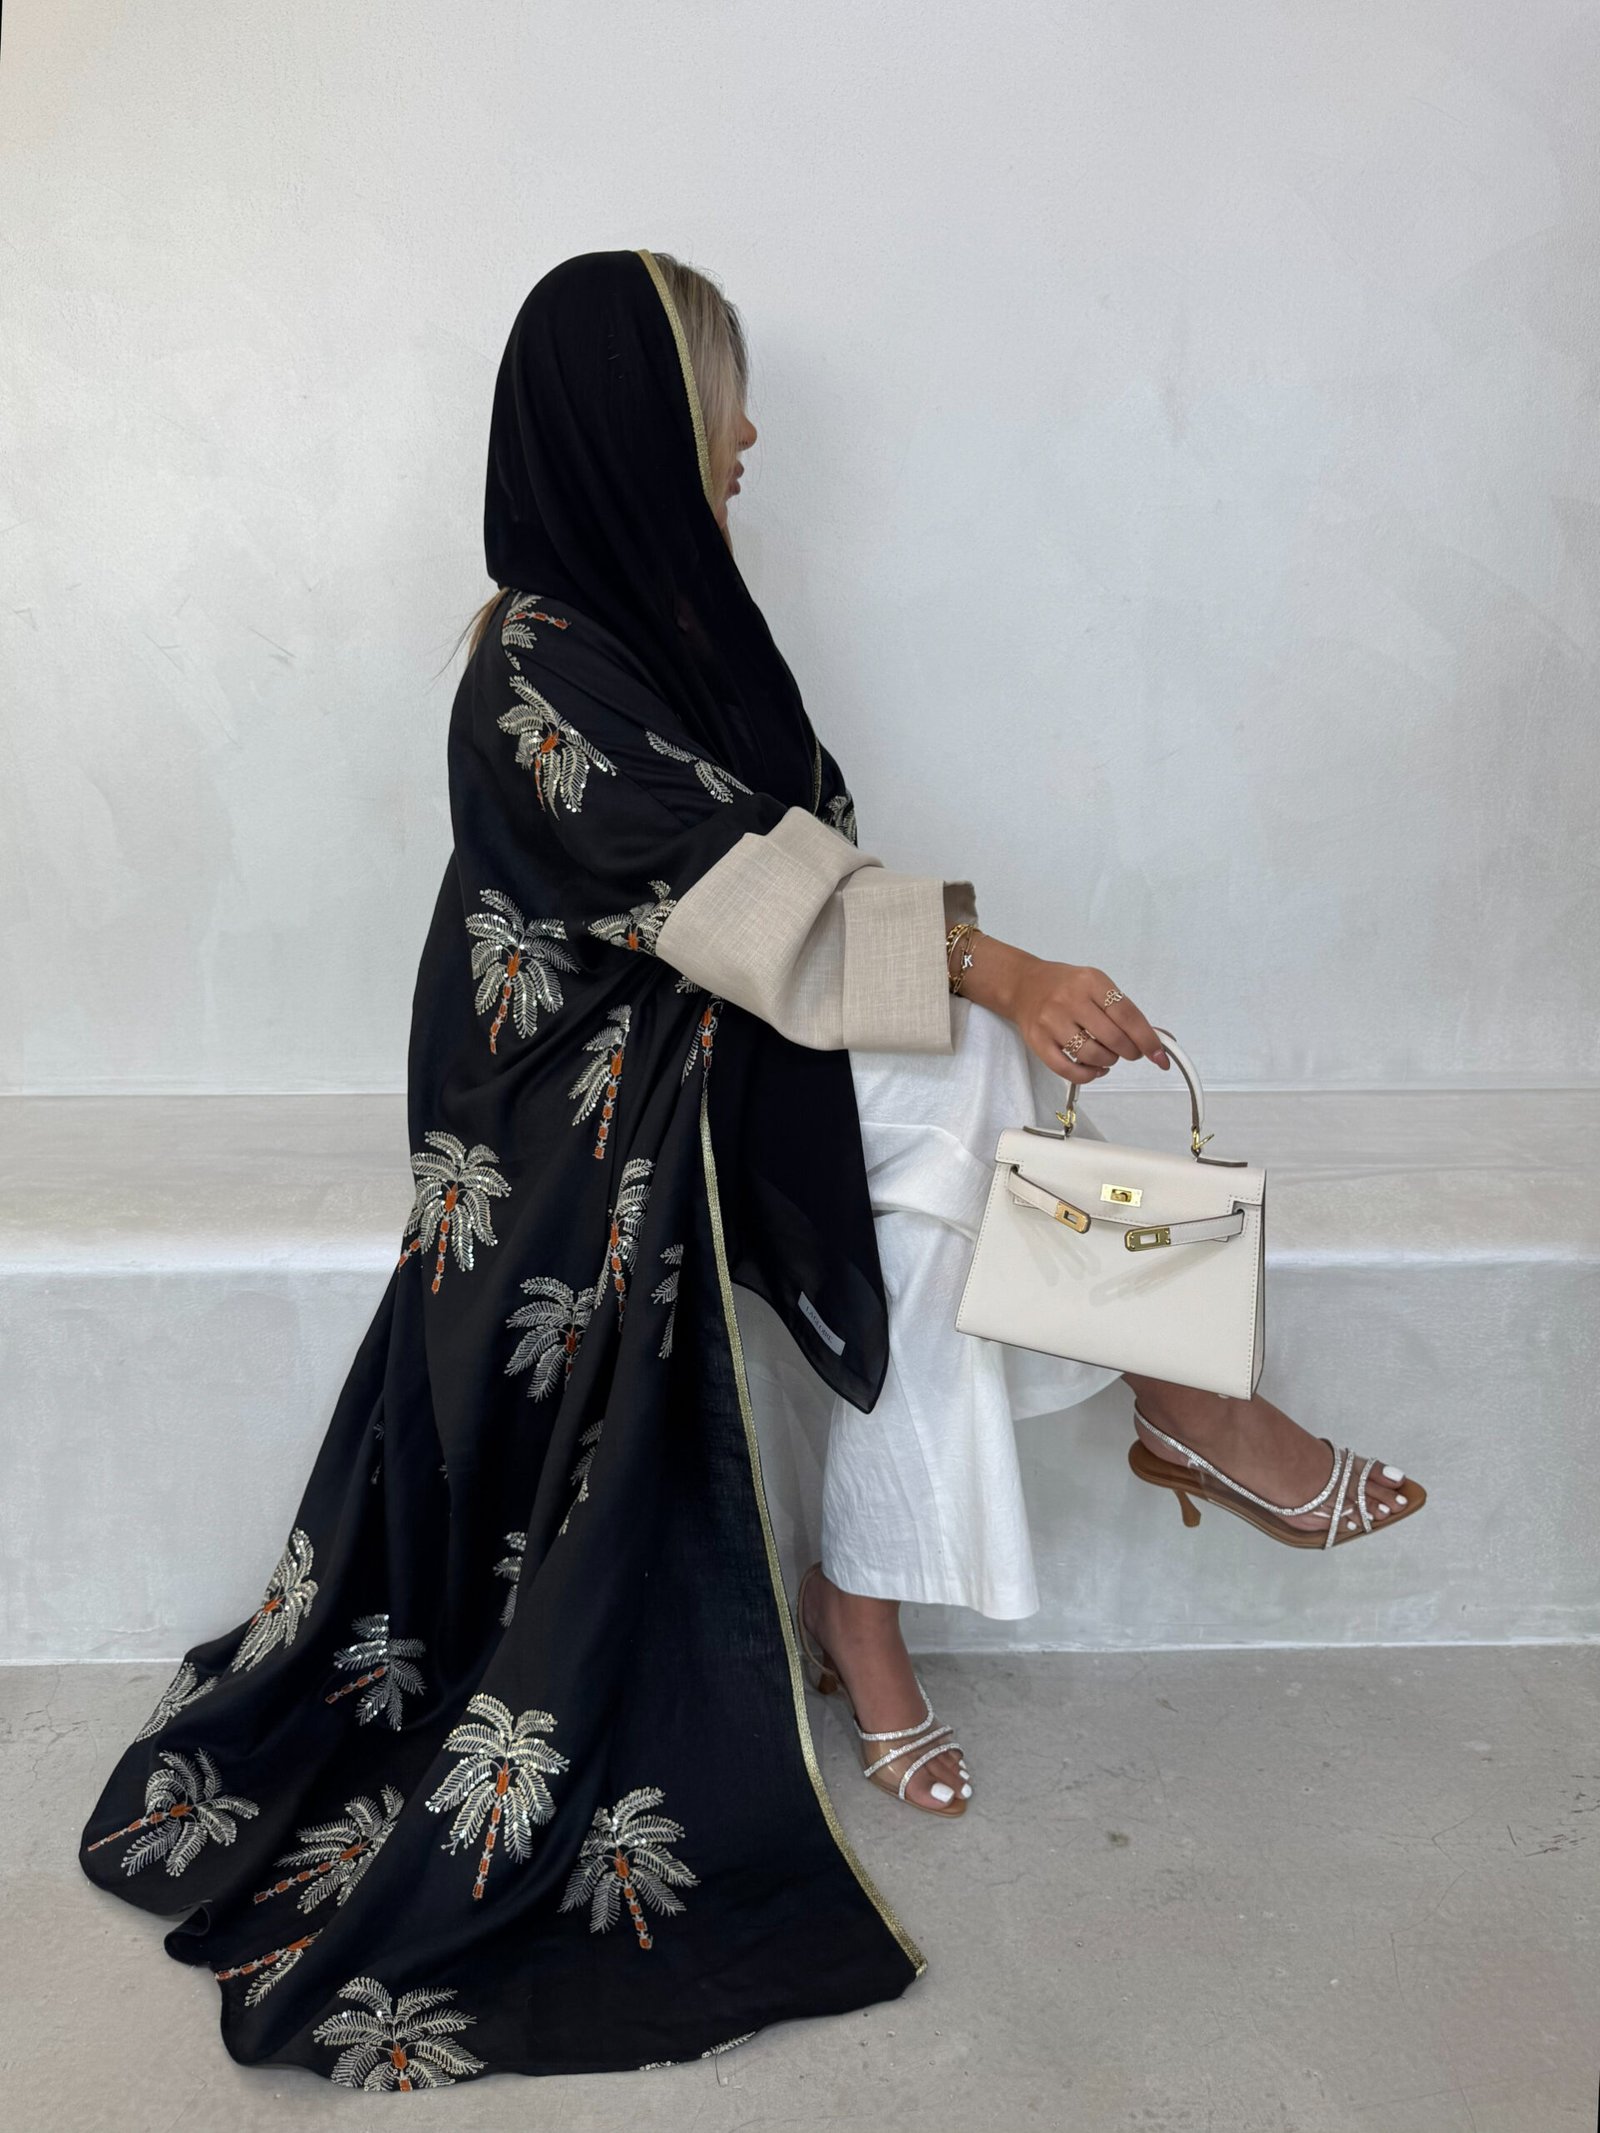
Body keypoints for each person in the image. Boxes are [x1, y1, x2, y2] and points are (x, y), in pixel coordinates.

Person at [76, 248, 1426, 2084]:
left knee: (950, 1109)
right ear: (635, 419)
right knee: (963, 1068)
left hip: (686, 1046)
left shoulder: (674, 617)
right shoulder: (535, 661)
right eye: (721, 397)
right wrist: (1003, 964)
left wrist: (982, 978)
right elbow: (728, 896)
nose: (751, 434)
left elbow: (801, 858)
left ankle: (898, 1586)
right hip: (566, 1113)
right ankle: (1161, 1422)